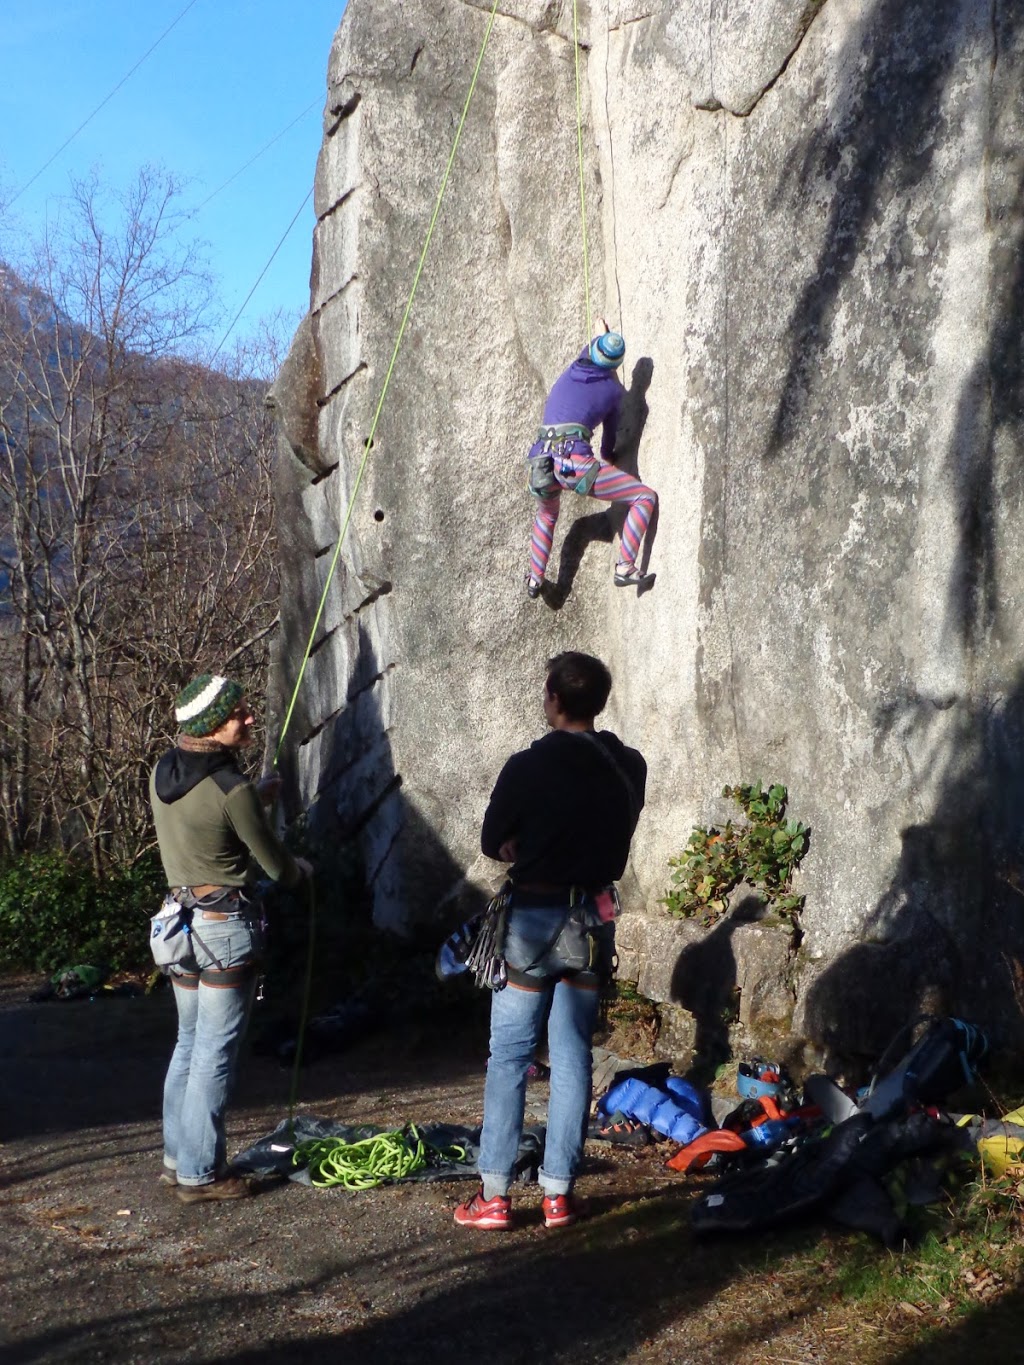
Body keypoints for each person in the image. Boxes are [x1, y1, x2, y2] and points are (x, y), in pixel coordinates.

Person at [455, 652, 646, 1230]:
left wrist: (521, 845)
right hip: (593, 915)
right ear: (600, 702)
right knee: (572, 1057)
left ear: (553, 698)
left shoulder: (526, 767)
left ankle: (493, 1196)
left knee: (510, 1055)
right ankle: (558, 1193)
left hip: (535, 916)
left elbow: (494, 839)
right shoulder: (629, 765)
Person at [149, 674, 311, 1203]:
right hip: (225, 929)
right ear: (211, 727)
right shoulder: (231, 789)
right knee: (215, 1053)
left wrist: (252, 800)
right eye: (237, 713)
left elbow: (208, 826)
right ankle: (201, 1174)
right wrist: (302, 869)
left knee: (189, 1043)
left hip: (177, 923)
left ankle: (178, 1159)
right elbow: (277, 867)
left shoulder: (163, 772)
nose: (248, 718)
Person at [525, 320, 657, 598]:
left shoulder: (576, 365)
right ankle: (625, 566)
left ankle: (535, 579)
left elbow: (597, 340)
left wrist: (601, 332)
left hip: (540, 461)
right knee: (644, 497)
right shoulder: (614, 392)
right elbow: (609, 448)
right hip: (574, 464)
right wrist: (615, 458)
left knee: (547, 515)